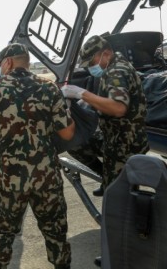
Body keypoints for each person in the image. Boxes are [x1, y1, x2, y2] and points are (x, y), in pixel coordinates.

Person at [0, 43, 75, 269]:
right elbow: (67, 133)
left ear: (8, 62)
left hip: (9, 179)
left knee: (3, 232)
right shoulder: (50, 88)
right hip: (46, 177)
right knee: (55, 231)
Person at [61, 35, 149, 267]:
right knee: (78, 145)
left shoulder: (116, 71)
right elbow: (111, 101)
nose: (91, 67)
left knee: (117, 201)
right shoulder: (116, 66)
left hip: (124, 144)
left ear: (105, 54)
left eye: (92, 61)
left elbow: (119, 108)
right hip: (120, 139)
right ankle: (105, 176)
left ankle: (119, 252)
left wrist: (82, 94)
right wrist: (87, 104)